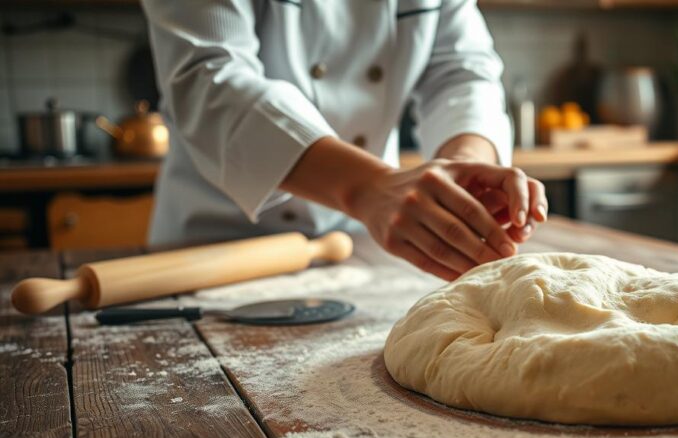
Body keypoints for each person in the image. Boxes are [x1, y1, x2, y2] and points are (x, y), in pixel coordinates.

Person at [141, 0, 547, 281]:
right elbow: (208, 78)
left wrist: (466, 162)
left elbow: (461, 72)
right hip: (212, 246)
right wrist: (367, 186)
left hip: (354, 245)